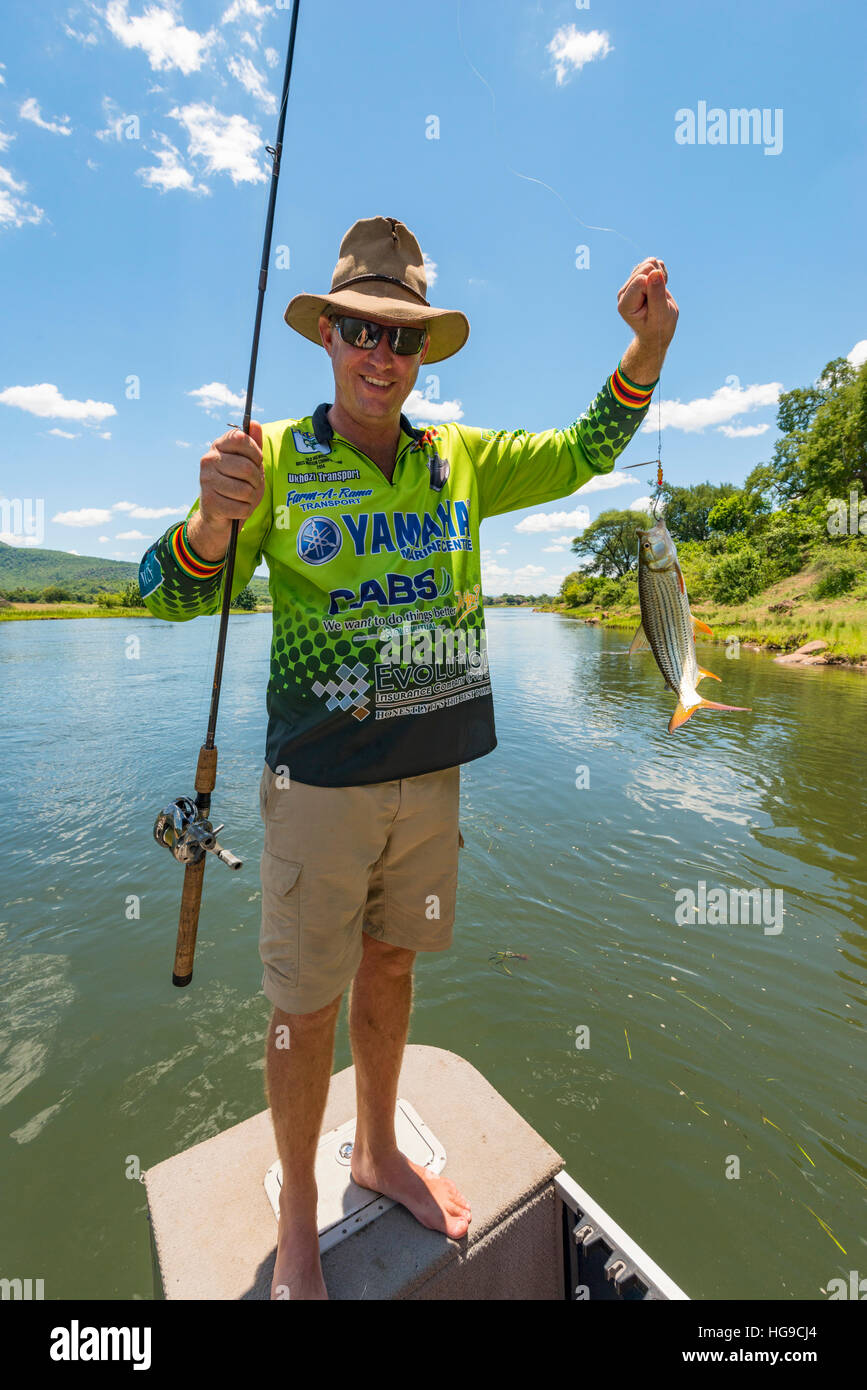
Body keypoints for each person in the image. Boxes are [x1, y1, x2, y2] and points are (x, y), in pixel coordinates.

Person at [138, 215, 678, 1300]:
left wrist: (647, 349)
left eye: (403, 338)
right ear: (326, 338)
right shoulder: (275, 461)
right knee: (301, 1012)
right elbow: (163, 594)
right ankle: (300, 1208)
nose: (380, 355)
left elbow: (581, 451)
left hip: (432, 784)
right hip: (316, 792)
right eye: (358, 331)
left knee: (394, 966)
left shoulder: (461, 460)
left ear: (423, 353)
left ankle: (376, 1148)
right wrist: (207, 521)